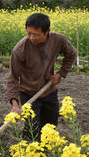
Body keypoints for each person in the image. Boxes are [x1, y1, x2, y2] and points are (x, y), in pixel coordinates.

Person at [7, 13, 77, 141]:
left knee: (50, 127)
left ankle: (45, 156)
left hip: (49, 91)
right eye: (29, 33)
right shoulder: (20, 49)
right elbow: (13, 77)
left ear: (47, 32)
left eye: (36, 34)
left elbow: (71, 54)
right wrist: (15, 104)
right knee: (32, 130)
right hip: (28, 94)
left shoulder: (58, 40)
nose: (31, 37)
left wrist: (61, 74)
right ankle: (30, 156)